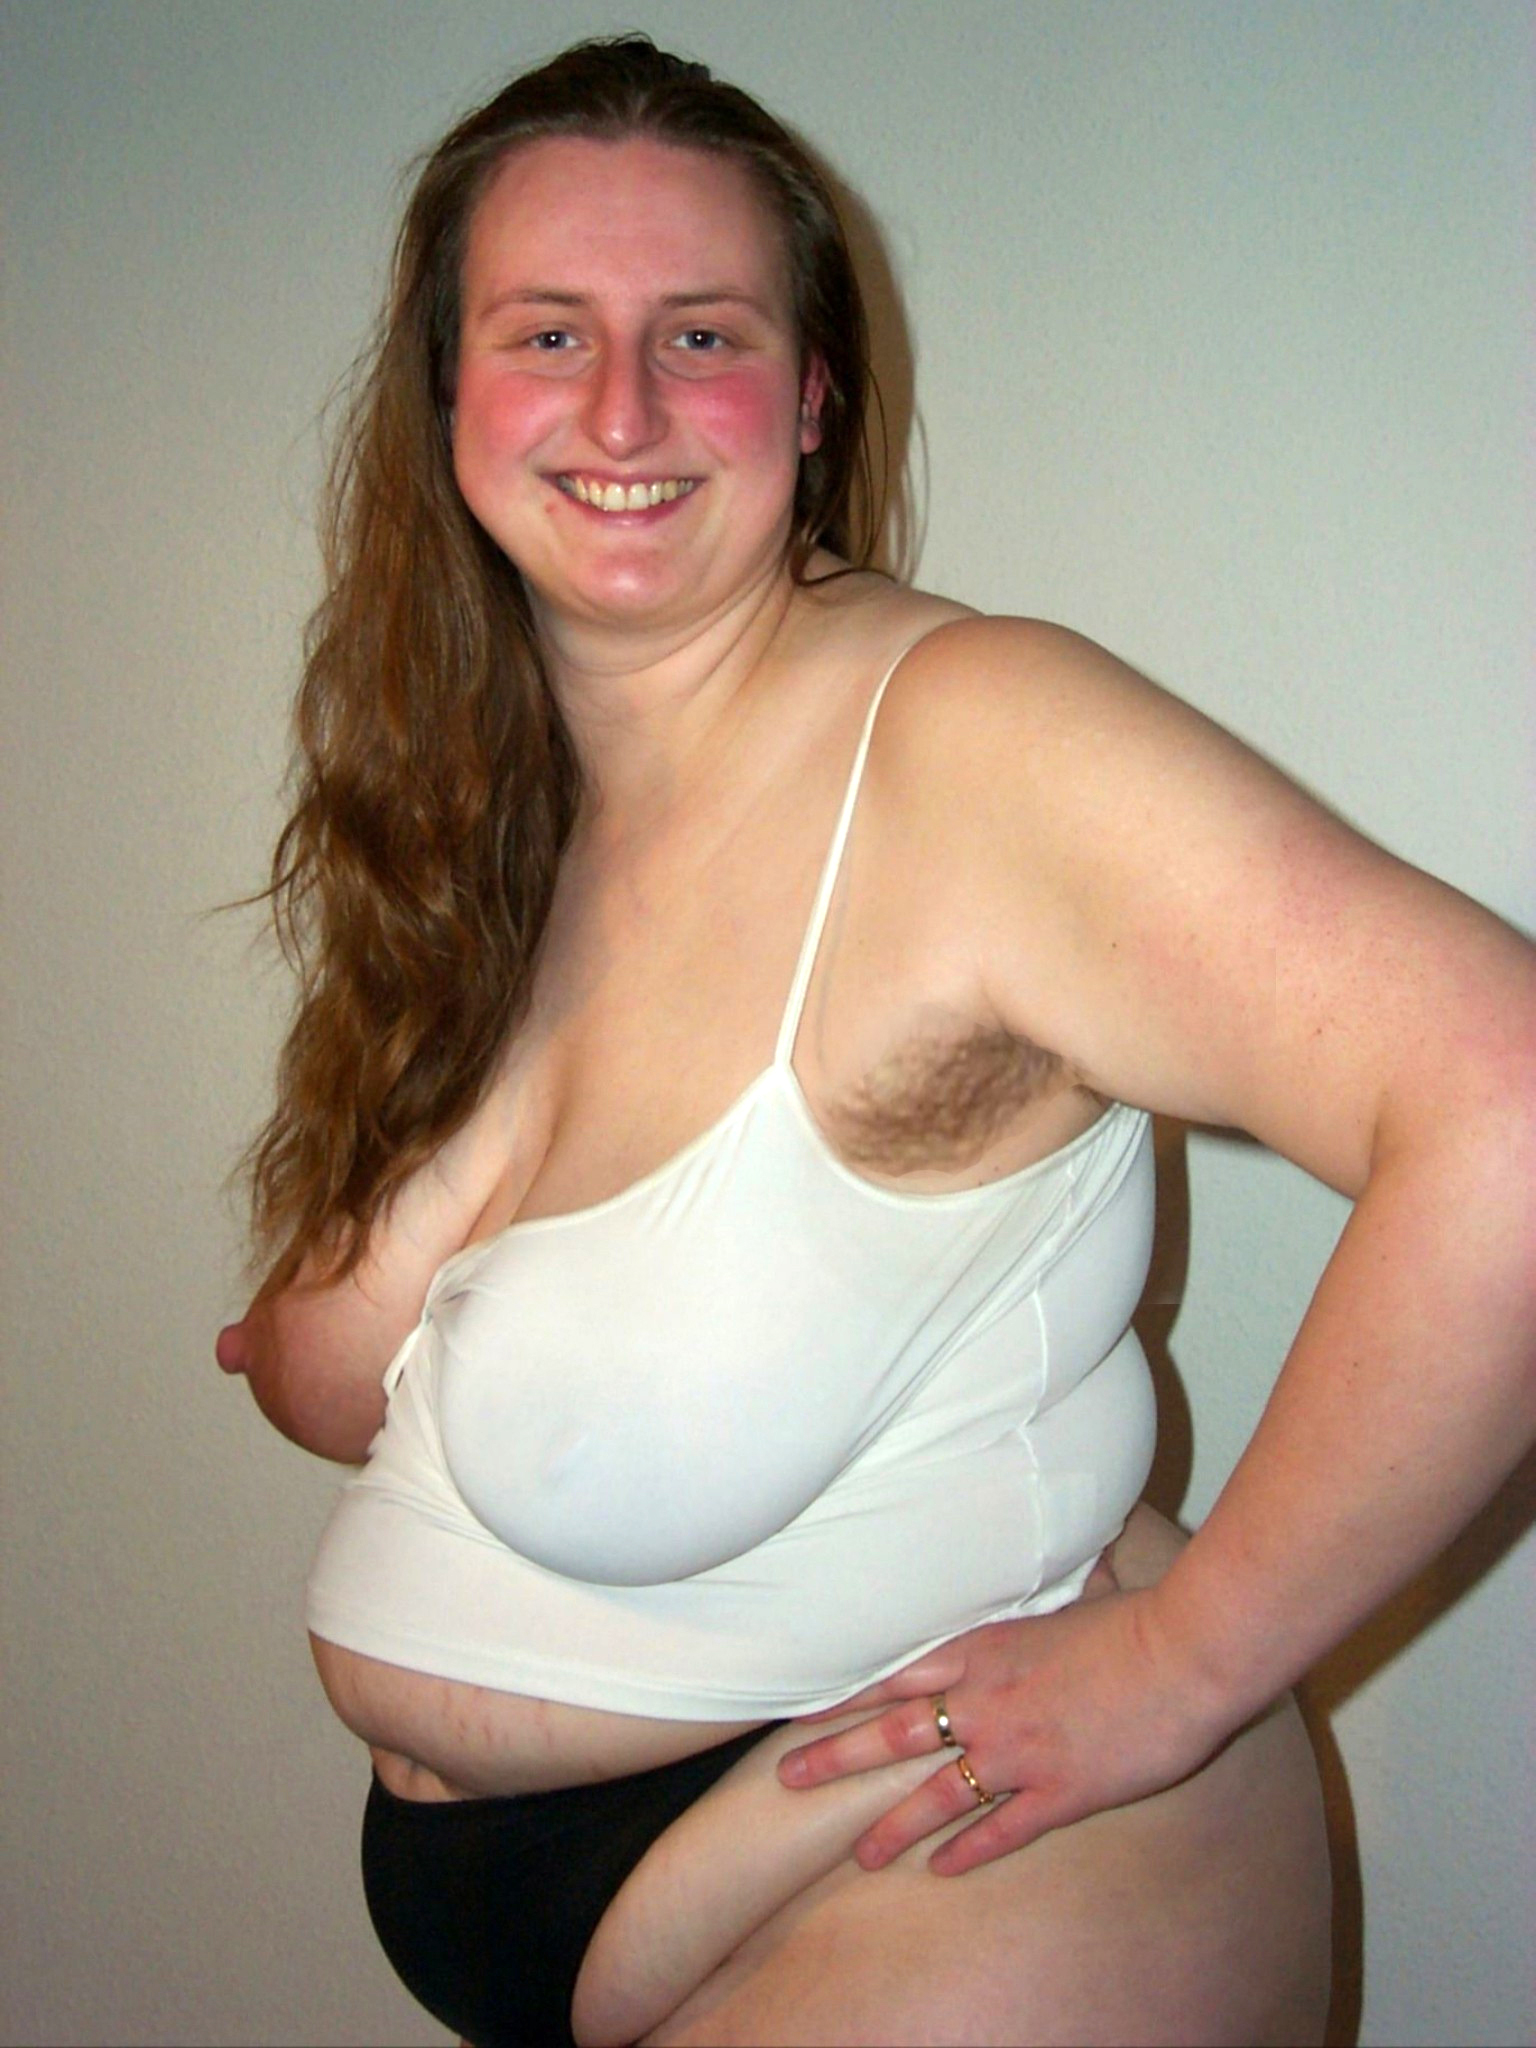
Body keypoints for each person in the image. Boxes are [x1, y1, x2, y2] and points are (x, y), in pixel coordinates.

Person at [217, 33, 1536, 2048]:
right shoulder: (508, 818)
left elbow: (1507, 1107)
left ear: (814, 396)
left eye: (706, 335)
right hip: (629, 1896)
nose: (624, 406)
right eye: (549, 333)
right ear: (445, 396)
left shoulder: (961, 745)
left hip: (960, 1886)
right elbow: (391, 1381)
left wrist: (1186, 1661)